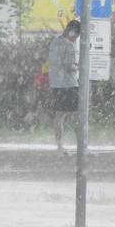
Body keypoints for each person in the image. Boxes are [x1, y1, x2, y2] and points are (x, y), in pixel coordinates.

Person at [48, 19, 81, 154]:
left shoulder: (55, 42)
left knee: (59, 116)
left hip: (56, 83)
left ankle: (59, 146)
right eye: (77, 35)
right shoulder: (69, 45)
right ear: (72, 32)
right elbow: (69, 66)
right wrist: (80, 66)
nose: (77, 38)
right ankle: (82, 147)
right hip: (69, 84)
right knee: (77, 117)